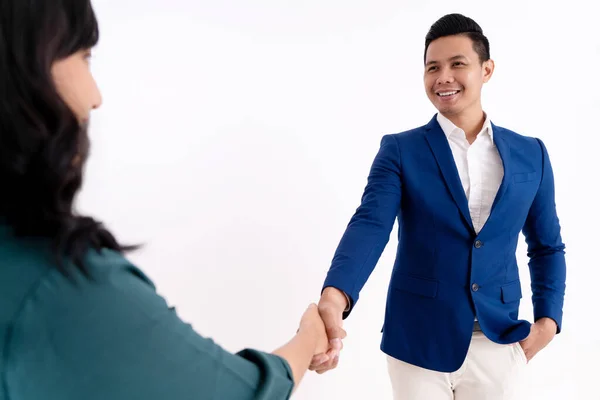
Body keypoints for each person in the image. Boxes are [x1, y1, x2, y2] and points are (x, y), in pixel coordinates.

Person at [0, 1, 328, 399]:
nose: (95, 96)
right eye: (85, 57)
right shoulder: (62, 286)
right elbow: (240, 391)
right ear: (25, 68)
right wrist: (310, 336)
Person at [311, 13, 566, 400]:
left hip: (500, 340)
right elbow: (371, 224)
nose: (443, 77)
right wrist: (336, 295)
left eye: (457, 64)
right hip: (418, 341)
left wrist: (548, 322)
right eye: (433, 67)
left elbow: (546, 246)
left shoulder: (532, 154)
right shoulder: (400, 150)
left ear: (487, 69)